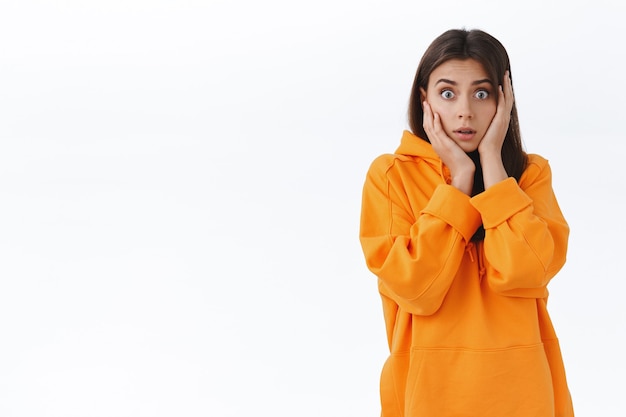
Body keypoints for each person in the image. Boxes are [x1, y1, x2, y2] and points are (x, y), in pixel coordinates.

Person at [359, 28, 574, 417]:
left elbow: (525, 272)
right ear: (423, 99)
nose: (464, 111)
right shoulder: (391, 175)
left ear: (504, 100)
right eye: (447, 93)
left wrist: (492, 163)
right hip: (428, 391)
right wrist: (459, 181)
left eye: (481, 93)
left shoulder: (530, 175)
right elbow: (416, 288)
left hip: (524, 391)